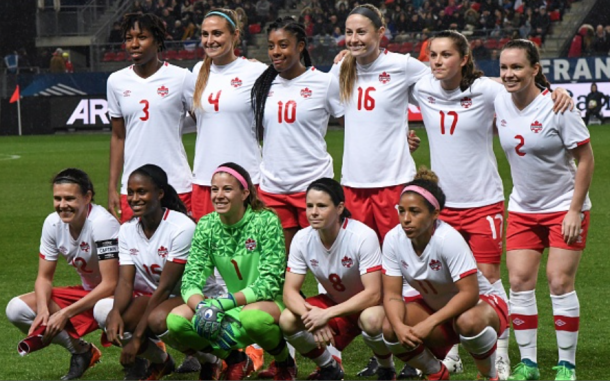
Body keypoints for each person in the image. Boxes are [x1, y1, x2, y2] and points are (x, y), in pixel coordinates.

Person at [407, 30, 573, 379]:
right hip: (441, 206)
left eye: (446, 55)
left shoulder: (486, 90)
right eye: (433, 55)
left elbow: (523, 85)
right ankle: (454, 351)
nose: (437, 62)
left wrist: (557, 90)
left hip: (483, 202)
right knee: (449, 282)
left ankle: (499, 353)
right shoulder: (422, 87)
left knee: (487, 279)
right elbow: (385, 96)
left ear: (464, 59)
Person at [495, 39, 594, 381]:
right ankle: (529, 364)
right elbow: (477, 81)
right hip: (523, 209)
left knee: (559, 282)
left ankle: (567, 366)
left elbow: (585, 159)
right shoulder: (499, 100)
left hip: (563, 208)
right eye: (504, 68)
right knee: (520, 283)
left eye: (517, 67)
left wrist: (574, 210)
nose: (509, 74)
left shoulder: (558, 106)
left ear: (535, 69)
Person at [165, 162, 293, 381]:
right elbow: (191, 279)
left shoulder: (266, 220)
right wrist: (203, 308)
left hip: (271, 302)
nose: (219, 195)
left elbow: (269, 282)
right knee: (175, 321)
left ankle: (284, 362)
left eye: (227, 189)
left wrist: (221, 304)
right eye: (214, 189)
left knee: (251, 317)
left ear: (244, 193)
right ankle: (234, 358)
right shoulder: (206, 225)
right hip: (231, 305)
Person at [381, 168, 509, 381]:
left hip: (482, 306)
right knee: (388, 327)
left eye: (414, 211)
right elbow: (392, 294)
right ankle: (436, 373)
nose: (406, 219)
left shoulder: (448, 239)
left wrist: (429, 323)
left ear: (435, 214)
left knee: (468, 321)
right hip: (439, 311)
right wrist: (399, 326)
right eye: (401, 210)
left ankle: (489, 375)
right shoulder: (393, 239)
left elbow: (469, 294)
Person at [6, 168, 120, 380]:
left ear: (87, 197)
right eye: (57, 198)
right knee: (17, 309)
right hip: (89, 293)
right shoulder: (52, 223)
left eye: (70, 198)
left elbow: (111, 283)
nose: (62, 205)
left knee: (105, 309)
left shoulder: (102, 223)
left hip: (124, 294)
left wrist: (65, 313)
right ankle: (82, 352)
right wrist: (42, 310)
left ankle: (149, 354)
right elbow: (44, 278)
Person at [280, 178, 396, 380]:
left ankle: (387, 368)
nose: (313, 212)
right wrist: (313, 316)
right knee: (288, 320)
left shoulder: (362, 236)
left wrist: (326, 315)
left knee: (371, 320)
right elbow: (289, 292)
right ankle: (329, 367)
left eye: (322, 206)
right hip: (335, 302)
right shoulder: (302, 238)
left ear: (340, 208)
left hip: (371, 305)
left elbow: (373, 293)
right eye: (309, 206)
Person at [331, 4, 428, 243]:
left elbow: (441, 92)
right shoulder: (340, 68)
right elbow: (344, 117)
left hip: (394, 180)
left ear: (380, 32)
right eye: (349, 32)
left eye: (361, 32)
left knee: (401, 256)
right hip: (353, 182)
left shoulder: (403, 65)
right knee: (362, 259)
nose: (353, 39)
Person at [93, 164, 196, 380]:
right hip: (161, 297)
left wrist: (138, 338)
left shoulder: (181, 227)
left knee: (158, 319)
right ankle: (161, 362)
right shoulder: (127, 230)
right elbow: (125, 283)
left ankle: (211, 360)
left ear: (159, 193)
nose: (134, 198)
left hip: (194, 296)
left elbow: (167, 286)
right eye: (130, 192)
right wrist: (115, 315)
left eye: (141, 191)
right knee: (110, 316)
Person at [251, 17, 343, 252]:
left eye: (283, 45)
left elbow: (352, 123)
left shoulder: (324, 83)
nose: (275, 52)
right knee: (278, 263)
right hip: (272, 188)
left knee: (325, 258)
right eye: (271, 46)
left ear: (300, 46)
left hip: (312, 186)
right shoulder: (262, 83)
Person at [107, 13, 193, 223]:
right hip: (133, 187)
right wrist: (113, 187)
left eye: (142, 37)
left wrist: (176, 125)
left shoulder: (181, 77)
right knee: (136, 252)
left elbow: (205, 121)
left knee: (182, 252)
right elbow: (118, 137)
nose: (134, 44)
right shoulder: (116, 81)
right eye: (129, 38)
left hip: (176, 183)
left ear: (158, 41)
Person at [190, 8, 267, 221]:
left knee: (249, 251)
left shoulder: (256, 72)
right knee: (209, 251)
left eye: (217, 33)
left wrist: (343, 58)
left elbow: (294, 81)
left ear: (235, 36)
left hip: (246, 180)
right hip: (206, 181)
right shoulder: (197, 71)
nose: (210, 40)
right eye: (205, 34)